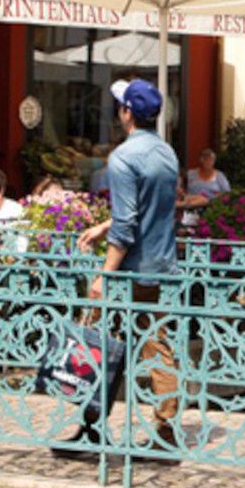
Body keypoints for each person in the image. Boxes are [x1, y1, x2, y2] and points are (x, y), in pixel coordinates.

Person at [69, 78, 180, 454]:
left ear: (127, 113)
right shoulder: (166, 153)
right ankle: (166, 429)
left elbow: (128, 225)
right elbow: (156, 207)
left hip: (129, 270)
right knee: (157, 346)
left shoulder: (122, 158)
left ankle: (90, 425)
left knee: (96, 345)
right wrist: (106, 224)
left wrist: (103, 274)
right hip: (160, 265)